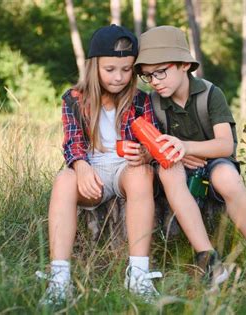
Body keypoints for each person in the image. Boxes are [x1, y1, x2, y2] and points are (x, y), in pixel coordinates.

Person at [134, 25, 246, 285]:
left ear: (183, 65)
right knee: (168, 171)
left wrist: (186, 146)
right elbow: (154, 145)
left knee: (228, 178)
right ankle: (208, 259)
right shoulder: (153, 103)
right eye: (147, 75)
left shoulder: (210, 94)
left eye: (161, 72)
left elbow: (225, 146)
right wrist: (166, 153)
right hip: (177, 167)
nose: (154, 81)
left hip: (214, 163)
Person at [41, 24, 161, 305]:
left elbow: (152, 144)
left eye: (126, 69)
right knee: (63, 180)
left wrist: (145, 154)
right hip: (90, 169)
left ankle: (139, 275)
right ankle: (59, 279)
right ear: (94, 66)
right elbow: (72, 141)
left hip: (124, 169)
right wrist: (80, 165)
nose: (119, 77)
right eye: (110, 69)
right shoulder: (74, 99)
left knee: (142, 174)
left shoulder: (141, 100)